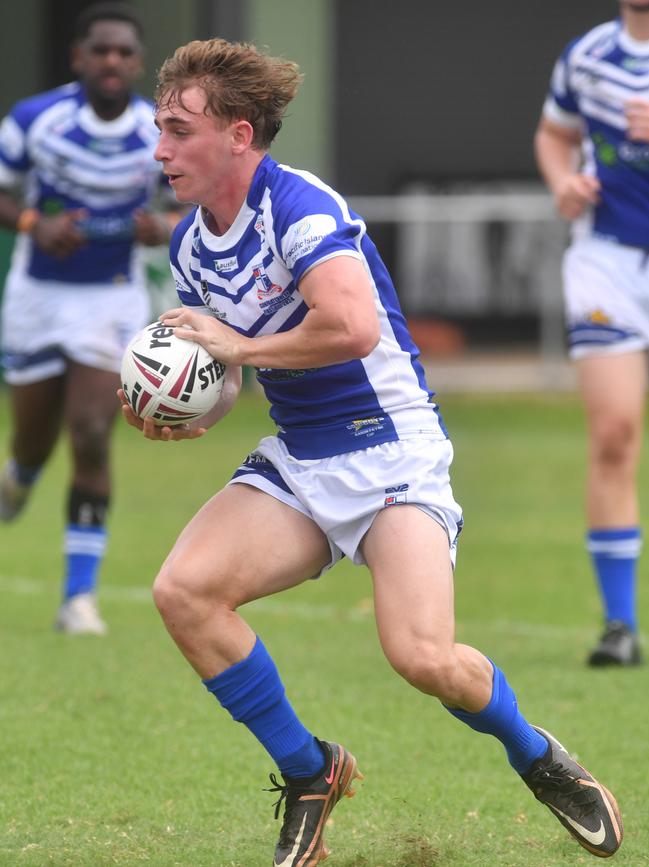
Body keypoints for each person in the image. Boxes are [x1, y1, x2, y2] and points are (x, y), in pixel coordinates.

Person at [120, 38, 623, 865]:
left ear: (240, 135)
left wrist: (237, 351)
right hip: (302, 460)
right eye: (160, 129)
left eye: (178, 129)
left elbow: (351, 328)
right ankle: (310, 770)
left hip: (391, 451)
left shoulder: (300, 207)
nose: (161, 149)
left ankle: (536, 753)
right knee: (185, 591)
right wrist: (186, 407)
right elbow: (228, 367)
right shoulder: (189, 247)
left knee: (422, 656)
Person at [0, 2, 179, 634]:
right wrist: (32, 222)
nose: (112, 62)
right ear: (79, 57)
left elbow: (193, 208)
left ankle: (79, 599)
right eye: (100, 50)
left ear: (138, 62)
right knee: (32, 439)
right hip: (37, 296)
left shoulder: (158, 133)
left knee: (92, 431)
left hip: (111, 298)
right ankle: (18, 475)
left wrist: (166, 227)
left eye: (124, 53)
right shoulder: (34, 121)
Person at [534, 0, 649, 667]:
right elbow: (553, 134)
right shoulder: (587, 56)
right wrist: (562, 182)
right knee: (613, 433)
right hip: (606, 260)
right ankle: (620, 625)